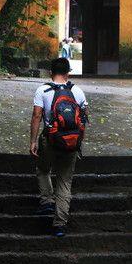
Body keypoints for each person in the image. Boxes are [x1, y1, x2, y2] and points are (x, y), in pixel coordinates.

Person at [30, 57, 88, 237]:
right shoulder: (78, 92)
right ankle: (60, 224)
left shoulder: (43, 90)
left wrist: (33, 141)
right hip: (71, 142)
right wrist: (78, 144)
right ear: (68, 73)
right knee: (64, 181)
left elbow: (36, 116)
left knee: (43, 168)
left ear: (50, 72)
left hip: (50, 140)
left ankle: (47, 201)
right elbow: (83, 120)